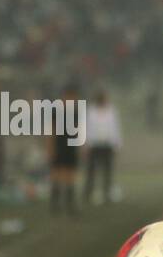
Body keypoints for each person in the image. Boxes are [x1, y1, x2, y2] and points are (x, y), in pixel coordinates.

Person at [83, 90, 121, 205]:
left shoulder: (111, 111)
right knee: (91, 171)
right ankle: (88, 193)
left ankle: (107, 193)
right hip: (94, 144)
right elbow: (86, 128)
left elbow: (114, 128)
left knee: (107, 171)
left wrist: (117, 143)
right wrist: (86, 144)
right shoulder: (91, 111)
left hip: (107, 144)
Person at [49, 84, 82, 215]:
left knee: (70, 176)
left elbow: (78, 131)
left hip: (71, 148)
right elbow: (51, 131)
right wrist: (50, 148)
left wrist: (79, 147)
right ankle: (54, 205)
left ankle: (70, 204)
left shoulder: (75, 112)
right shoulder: (56, 111)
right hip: (59, 147)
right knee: (56, 175)